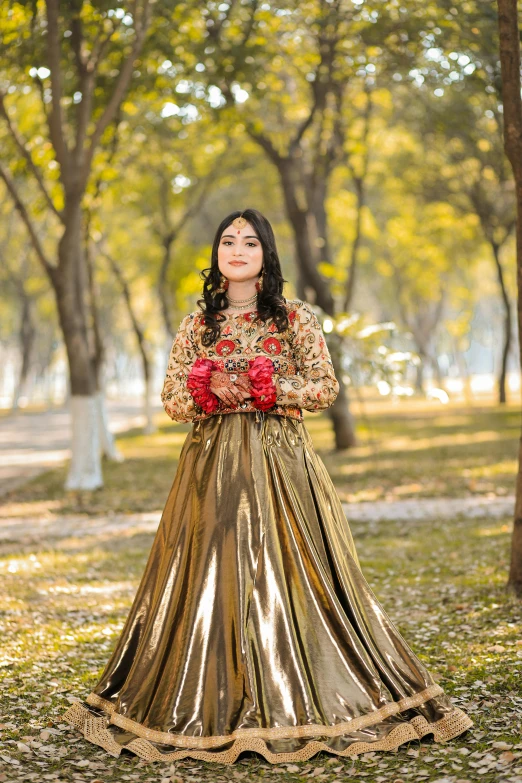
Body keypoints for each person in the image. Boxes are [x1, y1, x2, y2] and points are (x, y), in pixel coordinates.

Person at [63, 208, 473, 765]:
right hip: (210, 472)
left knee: (290, 572)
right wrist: (208, 387)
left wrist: (264, 386)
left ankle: (300, 691)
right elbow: (172, 401)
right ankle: (214, 695)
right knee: (212, 575)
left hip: (281, 466)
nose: (237, 250)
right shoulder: (197, 325)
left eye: (249, 242)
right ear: (216, 254)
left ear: (266, 254)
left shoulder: (294, 318)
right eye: (228, 241)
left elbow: (323, 387)